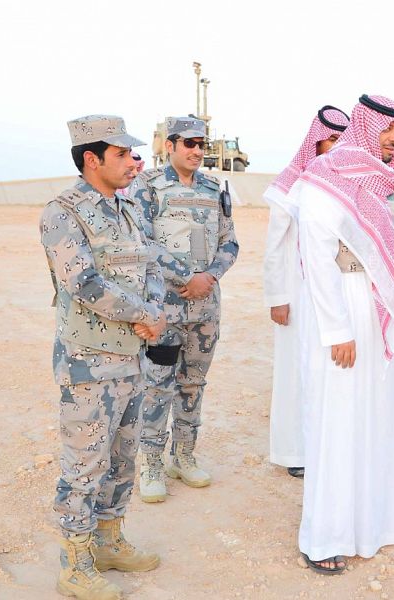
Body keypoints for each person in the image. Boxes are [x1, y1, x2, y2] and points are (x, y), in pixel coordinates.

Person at [41, 115, 165, 599]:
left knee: (122, 459)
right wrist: (143, 314)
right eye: (123, 154)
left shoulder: (128, 208)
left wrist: (154, 311)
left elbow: (152, 265)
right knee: (85, 466)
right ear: (92, 159)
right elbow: (83, 283)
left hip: (132, 358)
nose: (135, 161)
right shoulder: (62, 212)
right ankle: (75, 564)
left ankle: (109, 542)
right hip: (89, 363)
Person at [292, 94, 394, 574]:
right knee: (337, 422)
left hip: (377, 308)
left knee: (376, 417)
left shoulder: (383, 181)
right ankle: (325, 536)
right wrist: (337, 329)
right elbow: (317, 257)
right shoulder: (327, 175)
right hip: (342, 306)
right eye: (387, 130)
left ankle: (371, 526)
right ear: (366, 126)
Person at [128, 116, 240, 502]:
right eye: (188, 143)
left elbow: (230, 243)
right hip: (164, 308)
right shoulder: (148, 186)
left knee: (193, 384)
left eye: (201, 144)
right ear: (170, 145)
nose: (196, 150)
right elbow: (141, 242)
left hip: (205, 308)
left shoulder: (213, 188)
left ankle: (184, 456)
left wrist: (209, 277)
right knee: (157, 386)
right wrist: (185, 277)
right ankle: (152, 463)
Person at [263, 105, 350, 478]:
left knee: (331, 374)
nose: (336, 147)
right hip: (297, 298)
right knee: (295, 373)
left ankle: (328, 449)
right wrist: (277, 297)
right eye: (330, 140)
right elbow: (274, 247)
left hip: (335, 295)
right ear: (315, 143)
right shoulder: (292, 186)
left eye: (342, 140)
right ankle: (295, 452)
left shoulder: (345, 185)